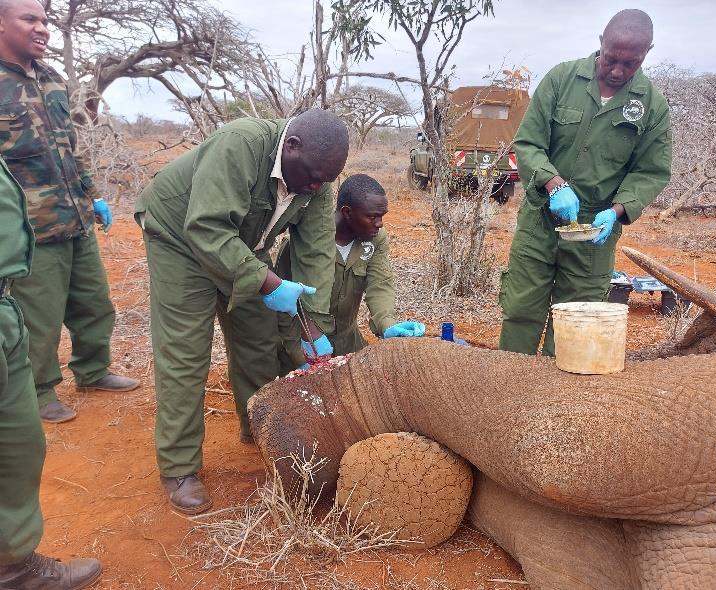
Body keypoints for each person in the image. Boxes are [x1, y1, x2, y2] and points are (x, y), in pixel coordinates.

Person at [135, 108, 349, 514]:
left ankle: (260, 429)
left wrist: (314, 325)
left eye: (326, 180)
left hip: (244, 244)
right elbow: (207, 229)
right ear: (291, 146)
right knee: (186, 352)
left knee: (258, 339)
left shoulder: (316, 181)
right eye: (313, 177)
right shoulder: (240, 143)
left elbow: (316, 252)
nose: (317, 187)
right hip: (180, 237)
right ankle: (179, 467)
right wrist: (268, 283)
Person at [499, 9, 672, 355]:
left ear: (647, 53)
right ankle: (509, 384)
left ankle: (554, 390)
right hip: (540, 221)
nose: (618, 70)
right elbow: (528, 142)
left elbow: (651, 171)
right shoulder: (561, 79)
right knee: (520, 312)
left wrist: (617, 210)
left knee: (573, 324)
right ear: (601, 43)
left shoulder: (653, 106)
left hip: (594, 233)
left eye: (631, 63)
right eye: (611, 59)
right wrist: (553, 183)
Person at [0, 0, 139, 425]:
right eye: (30, 19)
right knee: (38, 317)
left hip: (75, 217)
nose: (42, 28)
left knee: (94, 302)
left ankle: (93, 370)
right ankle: (39, 391)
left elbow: (70, 149)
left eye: (45, 20)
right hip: (29, 229)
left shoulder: (52, 80)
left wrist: (92, 196)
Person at [0, 156, 102, 589]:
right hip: (41, 244)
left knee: (19, 446)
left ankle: (12, 566)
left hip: (7, 297)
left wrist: (90, 194)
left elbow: (68, 153)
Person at [277, 174, 425, 369]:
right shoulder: (304, 243)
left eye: (382, 216)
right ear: (347, 212)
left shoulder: (375, 240)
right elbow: (283, 311)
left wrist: (387, 324)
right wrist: (301, 358)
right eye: (372, 216)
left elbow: (380, 284)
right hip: (305, 346)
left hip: (348, 344)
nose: (380, 224)